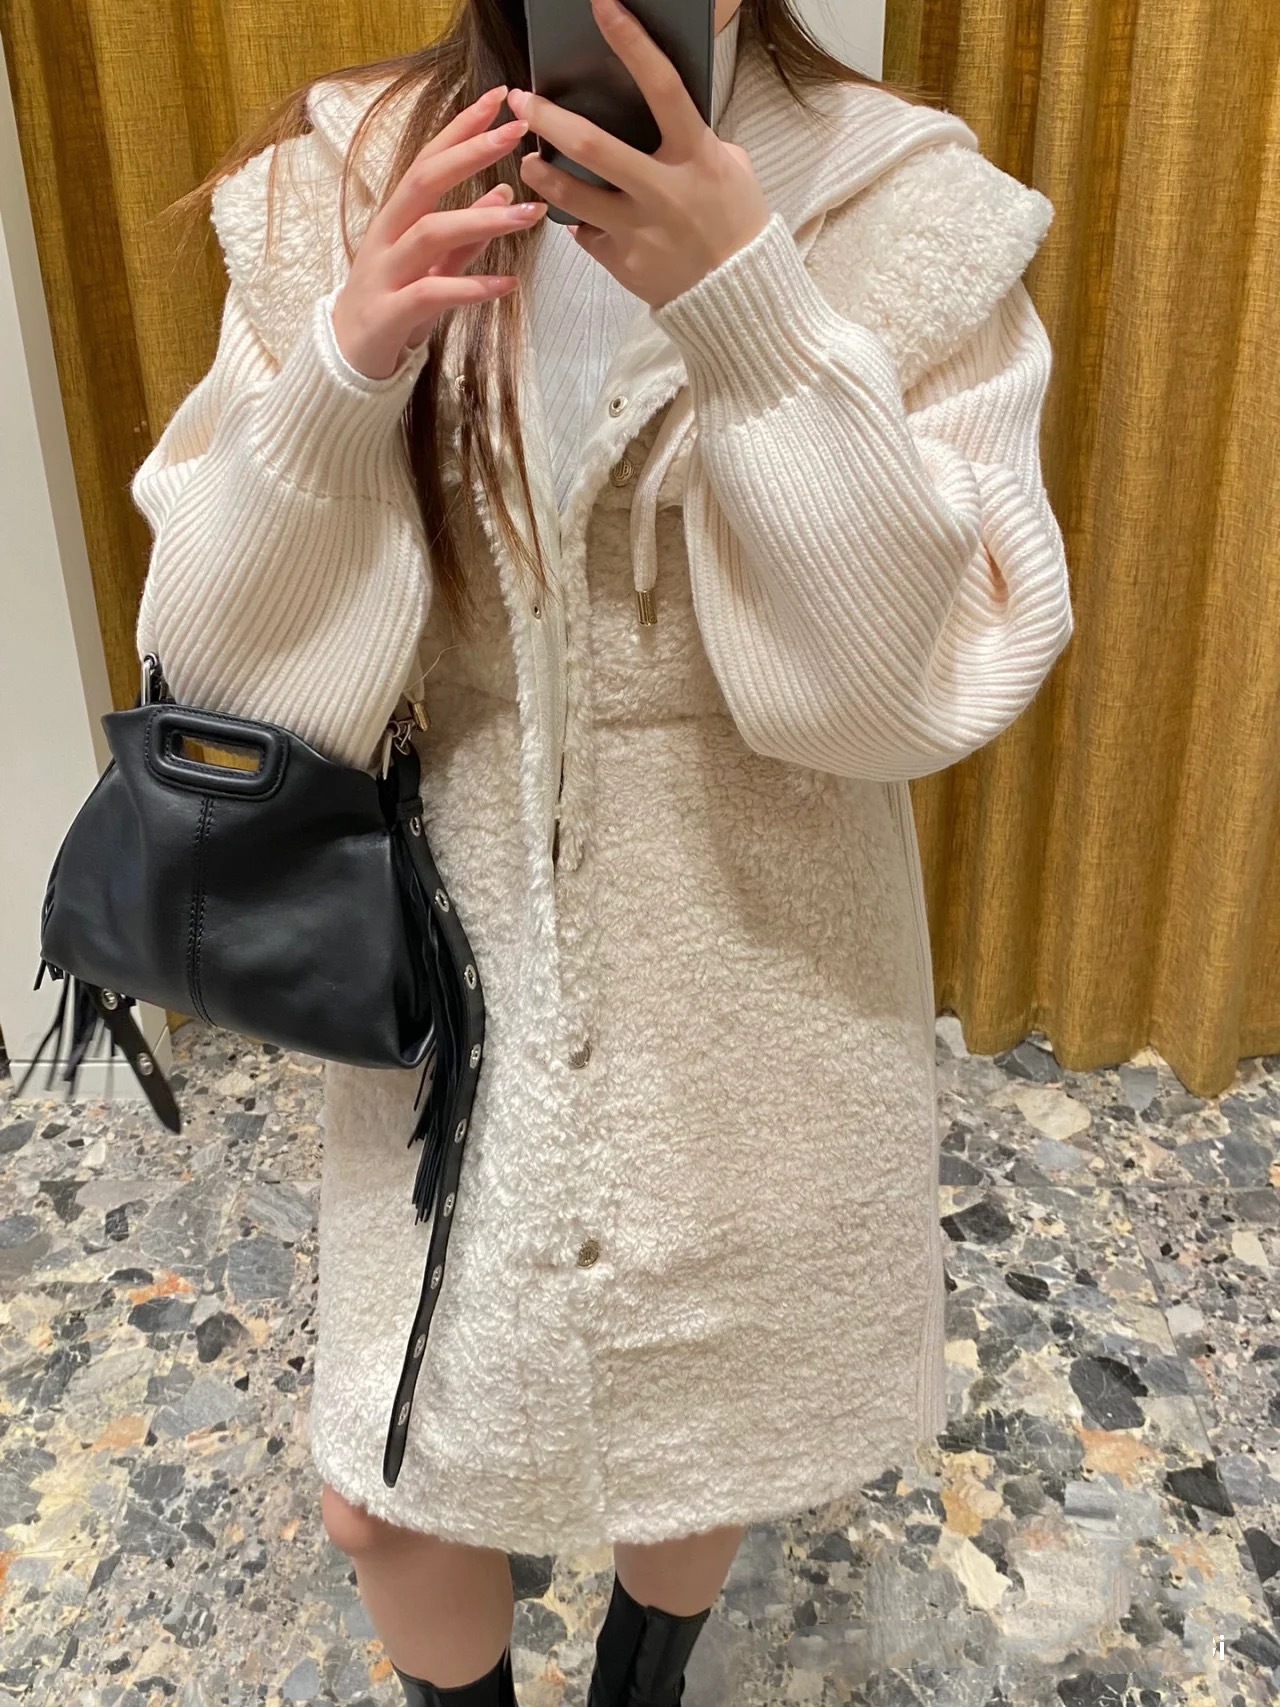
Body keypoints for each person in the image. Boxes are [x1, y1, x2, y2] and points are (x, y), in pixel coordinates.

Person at [130, 0, 1074, 1700]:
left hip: (759, 953)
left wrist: (755, 318)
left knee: (701, 1441)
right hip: (455, 957)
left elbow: (909, 691)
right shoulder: (341, 181)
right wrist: (343, 374)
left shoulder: (906, 202)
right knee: (385, 1498)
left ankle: (646, 1681)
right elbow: (220, 676)